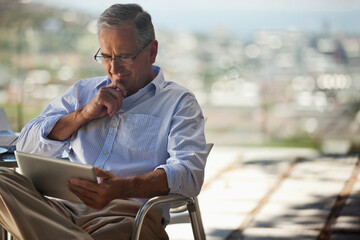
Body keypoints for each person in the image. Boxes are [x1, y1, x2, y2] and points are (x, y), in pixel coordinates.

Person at [0, 3, 207, 240]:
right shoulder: (82, 92)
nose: (113, 68)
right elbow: (25, 145)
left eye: (124, 57)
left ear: (152, 51)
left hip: (129, 217)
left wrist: (122, 188)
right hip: (60, 210)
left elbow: (189, 174)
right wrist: (83, 114)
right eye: (106, 56)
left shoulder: (179, 102)